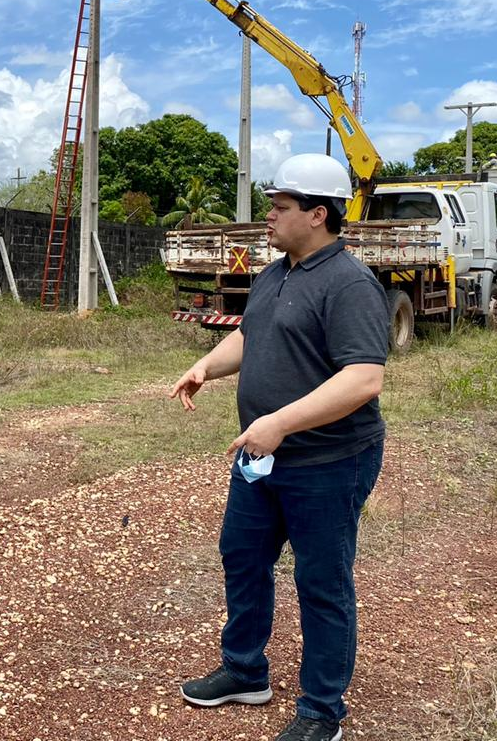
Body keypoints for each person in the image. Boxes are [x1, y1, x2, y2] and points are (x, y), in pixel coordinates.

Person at [168, 152, 387, 741]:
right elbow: (250, 334)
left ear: (318, 214)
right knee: (241, 557)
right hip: (263, 458)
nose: (268, 215)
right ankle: (245, 672)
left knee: (321, 581)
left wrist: (282, 422)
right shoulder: (276, 272)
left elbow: (363, 379)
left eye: (280, 206)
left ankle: (321, 712)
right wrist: (205, 367)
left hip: (330, 459)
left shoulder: (351, 283)